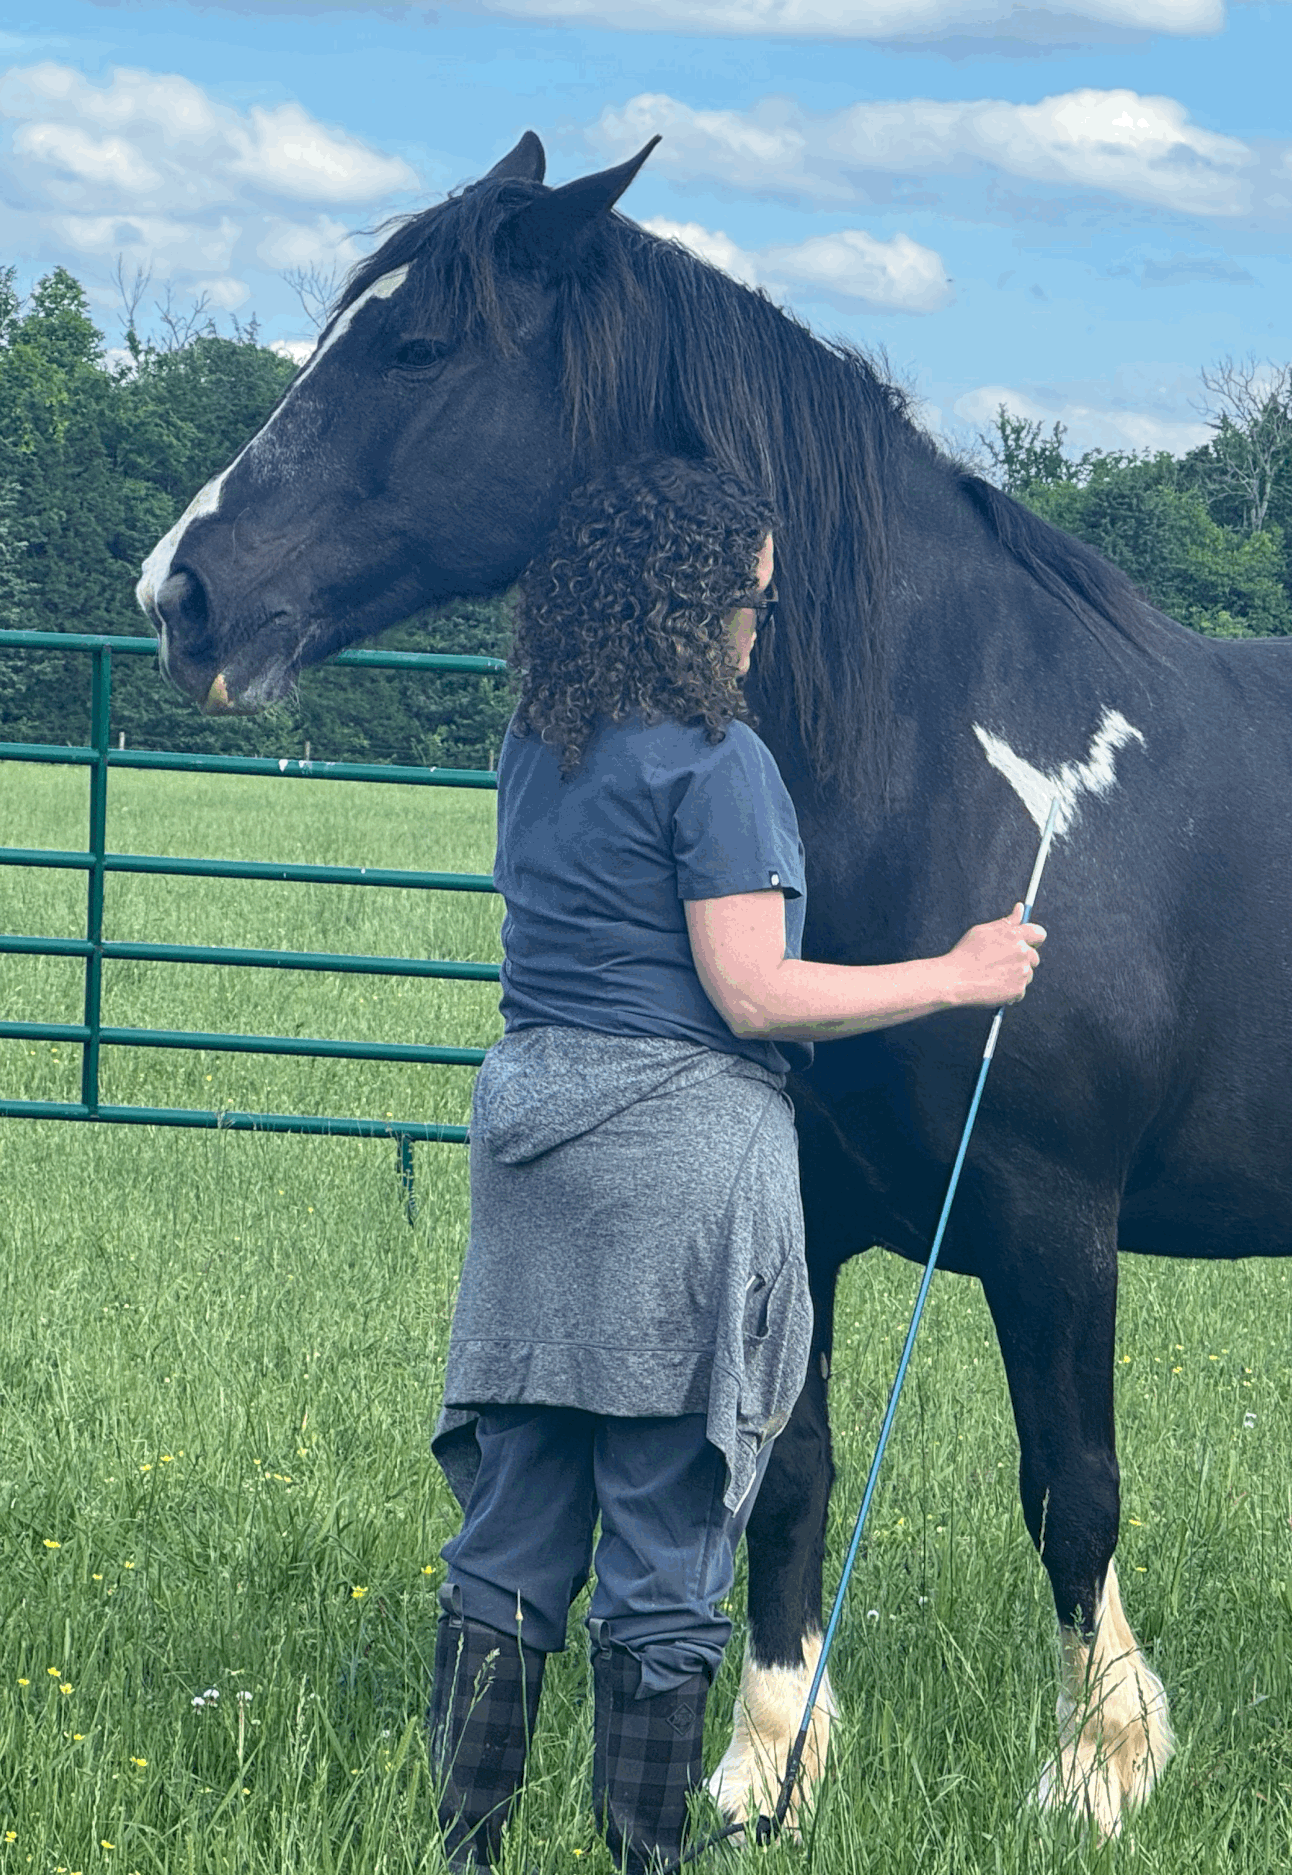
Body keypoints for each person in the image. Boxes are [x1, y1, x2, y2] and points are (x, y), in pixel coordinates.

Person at [428, 457, 1046, 1873]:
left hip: (531, 1151)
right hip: (673, 1166)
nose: (761, 627)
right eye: (749, 599)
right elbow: (752, 990)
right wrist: (956, 974)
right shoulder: (720, 767)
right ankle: (646, 1854)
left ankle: (467, 1848)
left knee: (514, 1519)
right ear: (684, 604)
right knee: (665, 1517)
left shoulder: (538, 740)